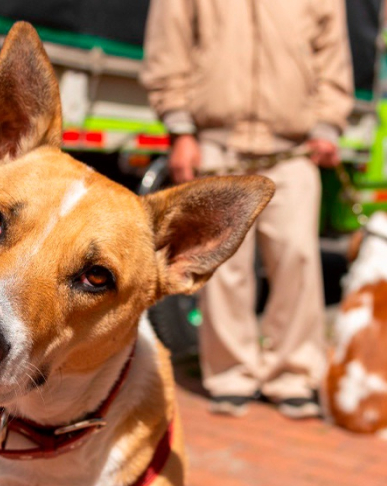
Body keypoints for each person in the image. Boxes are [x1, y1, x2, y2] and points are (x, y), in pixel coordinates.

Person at [141, 0, 353, 419]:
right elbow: (169, 48)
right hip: (218, 142)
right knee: (225, 270)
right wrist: (181, 129)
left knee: (298, 258)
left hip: (293, 148)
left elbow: (334, 57)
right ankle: (231, 374)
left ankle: (293, 375)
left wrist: (328, 124)